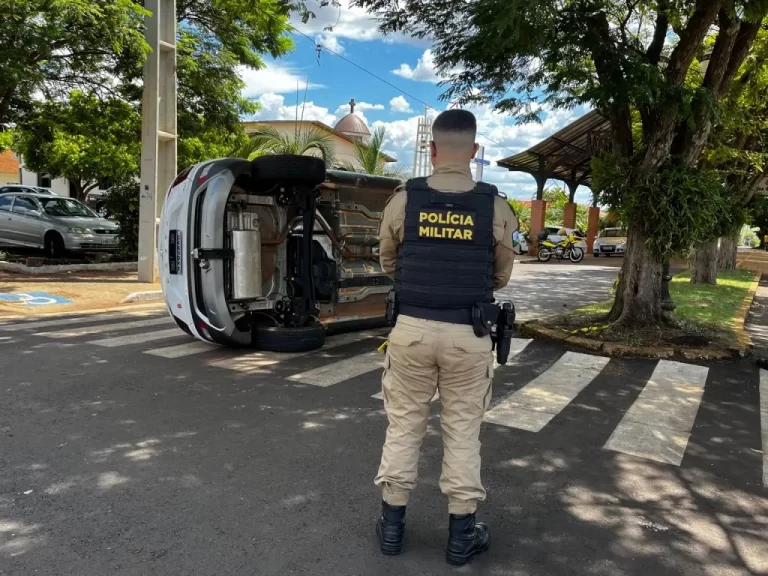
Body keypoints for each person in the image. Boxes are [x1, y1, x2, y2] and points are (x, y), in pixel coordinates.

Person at [374, 109, 518, 565]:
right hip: (469, 334)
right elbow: (501, 275)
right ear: (474, 152)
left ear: (432, 150)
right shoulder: (494, 206)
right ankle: (460, 537)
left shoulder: (404, 199)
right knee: (462, 433)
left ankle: (392, 528)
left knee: (403, 428)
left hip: (410, 332)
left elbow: (388, 262)